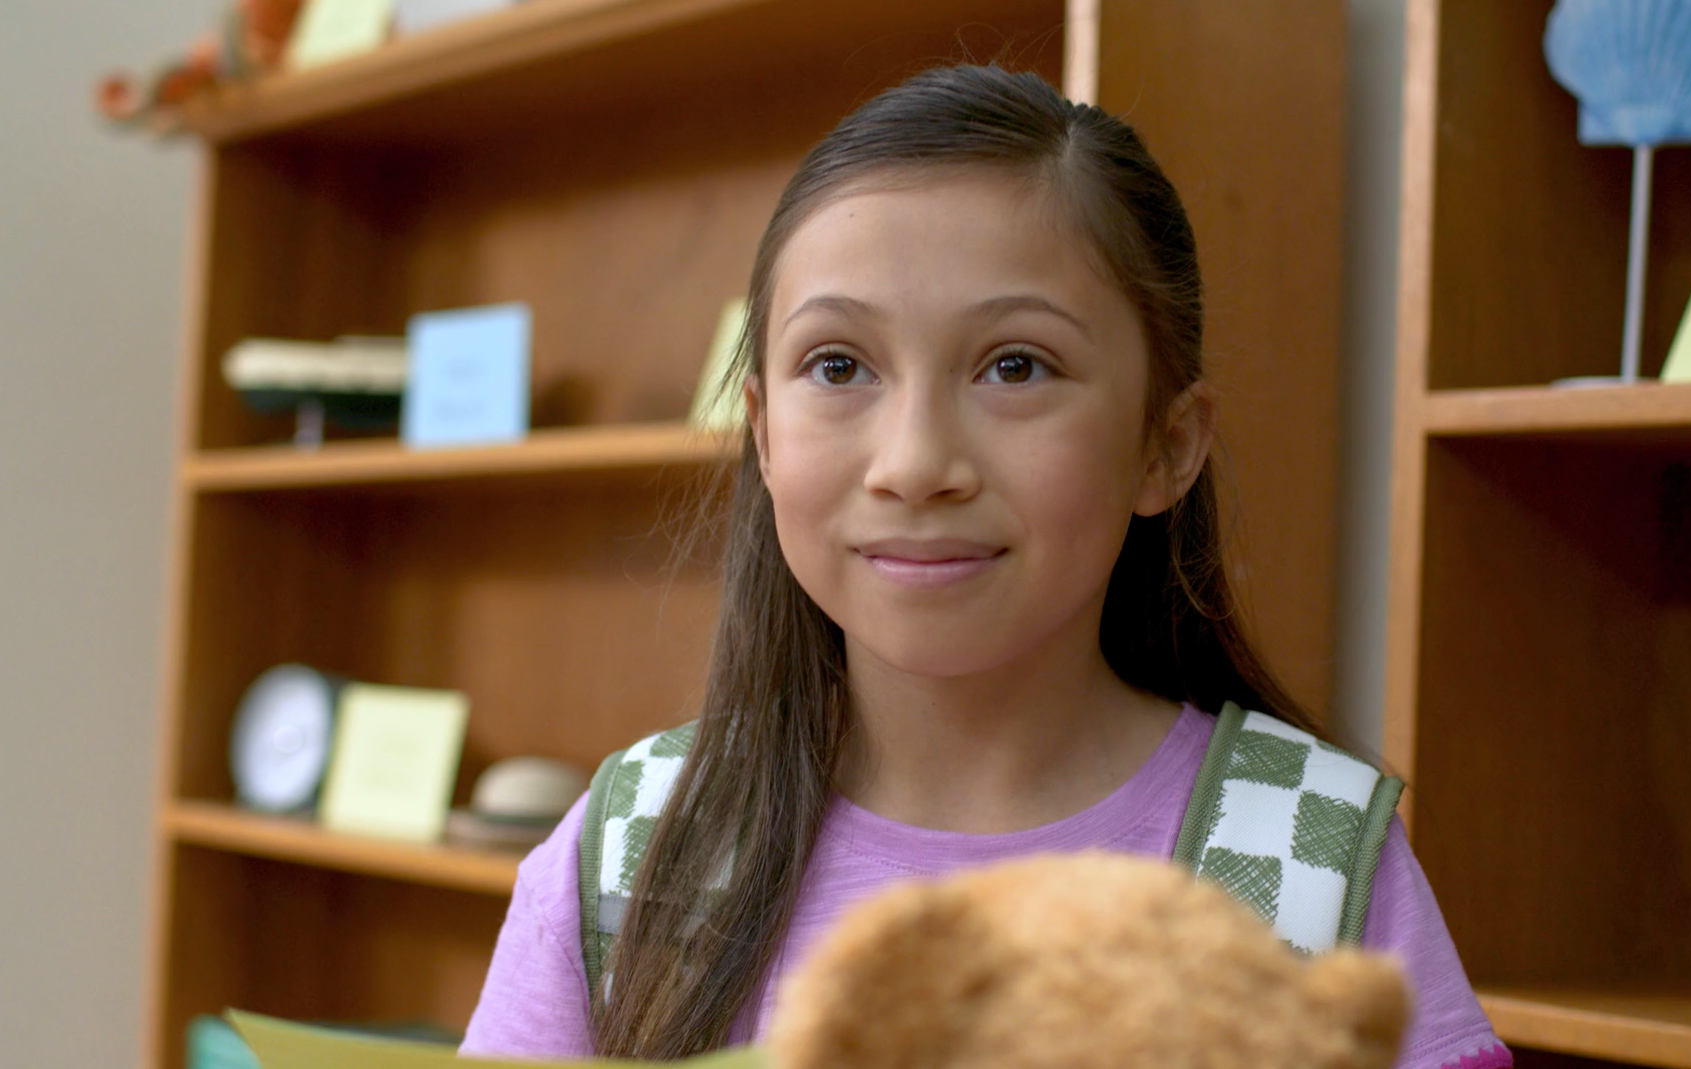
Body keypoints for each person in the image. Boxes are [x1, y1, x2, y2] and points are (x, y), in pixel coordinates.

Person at [461, 64, 1509, 1069]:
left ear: (1166, 445)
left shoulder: (1312, 856)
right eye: (838, 365)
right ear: (764, 432)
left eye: (1015, 365)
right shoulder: (634, 842)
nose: (915, 464)